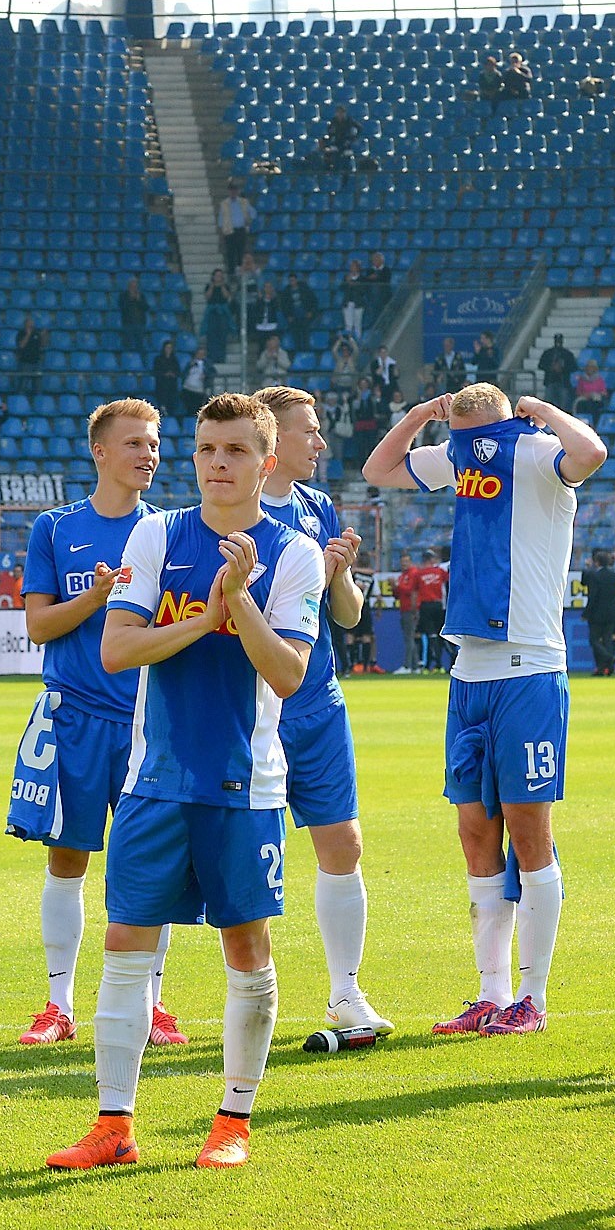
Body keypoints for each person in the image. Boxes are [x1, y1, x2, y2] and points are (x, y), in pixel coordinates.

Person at [44, 394, 321, 1174]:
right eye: (205, 449)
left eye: (235, 450)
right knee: (126, 942)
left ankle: (232, 1119)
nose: (217, 463)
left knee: (246, 946)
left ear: (267, 464)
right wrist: (205, 620)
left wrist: (240, 601)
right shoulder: (156, 533)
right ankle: (113, 1124)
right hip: (154, 783)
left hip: (246, 787)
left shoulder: (292, 553)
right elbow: (117, 648)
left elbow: (290, 673)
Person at [364, 383, 606, 1038]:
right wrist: (417, 415)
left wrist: (543, 410)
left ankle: (533, 996)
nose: (476, 455)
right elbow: (378, 471)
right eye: (468, 443)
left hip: (529, 665)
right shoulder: (461, 455)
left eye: (484, 441)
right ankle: (490, 992)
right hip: (468, 668)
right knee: (475, 829)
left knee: (529, 831)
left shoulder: (535, 452)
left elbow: (592, 451)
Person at [8, 400, 187, 1050]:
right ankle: (57, 1004)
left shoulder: (167, 530)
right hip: (75, 716)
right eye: (136, 442)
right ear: (101, 452)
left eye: (156, 441)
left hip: (147, 721)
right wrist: (97, 595)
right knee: (67, 858)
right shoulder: (56, 528)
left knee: (153, 865)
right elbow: (38, 625)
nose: (149, 453)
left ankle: (155, 1003)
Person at [254, 386, 390, 1034]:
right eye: (309, 431)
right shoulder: (238, 515)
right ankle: (165, 999)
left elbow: (349, 615)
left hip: (319, 703)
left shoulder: (319, 507)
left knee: (344, 843)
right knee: (232, 857)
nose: (321, 442)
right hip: (255, 712)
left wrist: (339, 574)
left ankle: (346, 993)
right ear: (272, 441)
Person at [399, 548, 449, 674]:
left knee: (428, 635)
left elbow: (414, 593)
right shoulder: (439, 572)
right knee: (438, 636)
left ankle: (427, 665)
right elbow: (449, 584)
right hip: (438, 605)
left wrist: (415, 609)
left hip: (425, 606)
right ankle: (439, 664)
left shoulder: (419, 574)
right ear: (432, 559)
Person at [581, 548, 615, 677]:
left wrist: (586, 613)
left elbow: (593, 595)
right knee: (607, 640)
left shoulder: (594, 575)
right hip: (611, 612)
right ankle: (607, 668)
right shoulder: (614, 575)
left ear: (596, 562)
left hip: (597, 613)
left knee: (594, 640)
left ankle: (607, 659)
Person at [217, 180, 256, 275]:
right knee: (230, 253)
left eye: (235, 190)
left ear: (237, 191)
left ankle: (240, 272)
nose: (233, 192)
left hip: (241, 230)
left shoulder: (244, 202)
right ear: (229, 191)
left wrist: (249, 220)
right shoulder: (224, 204)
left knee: (240, 252)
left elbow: (253, 213)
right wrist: (222, 230)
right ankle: (231, 273)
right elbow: (221, 218)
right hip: (229, 231)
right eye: (231, 190)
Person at [538, 335, 577, 409]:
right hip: (550, 382)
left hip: (563, 383)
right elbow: (541, 365)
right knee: (547, 406)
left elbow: (574, 367)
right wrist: (551, 367)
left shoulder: (567, 354)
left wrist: (562, 369)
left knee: (562, 407)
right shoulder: (548, 353)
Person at [14, 316, 48, 390]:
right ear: (25, 324)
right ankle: (20, 398)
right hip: (25, 362)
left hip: (36, 362)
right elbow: (21, 345)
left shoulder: (36, 333)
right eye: (29, 323)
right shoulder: (21, 333)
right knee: (23, 384)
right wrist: (28, 335)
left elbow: (43, 345)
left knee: (38, 385)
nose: (31, 325)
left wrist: (43, 336)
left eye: (32, 323)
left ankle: (37, 399)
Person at [119, 279, 150, 355]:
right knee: (128, 344)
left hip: (140, 324)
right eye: (132, 286)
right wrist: (131, 299)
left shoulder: (141, 296)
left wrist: (139, 300)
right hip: (128, 324)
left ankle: (141, 361)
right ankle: (128, 360)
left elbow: (146, 307)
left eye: (135, 286)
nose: (134, 288)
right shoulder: (123, 296)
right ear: (128, 286)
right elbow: (123, 307)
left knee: (140, 345)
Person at [151, 340, 181, 414]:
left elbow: (178, 371)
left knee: (172, 403)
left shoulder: (174, 359)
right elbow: (156, 371)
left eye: (170, 348)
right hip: (161, 385)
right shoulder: (158, 359)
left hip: (172, 385)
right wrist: (165, 374)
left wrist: (173, 374)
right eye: (167, 347)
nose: (169, 349)